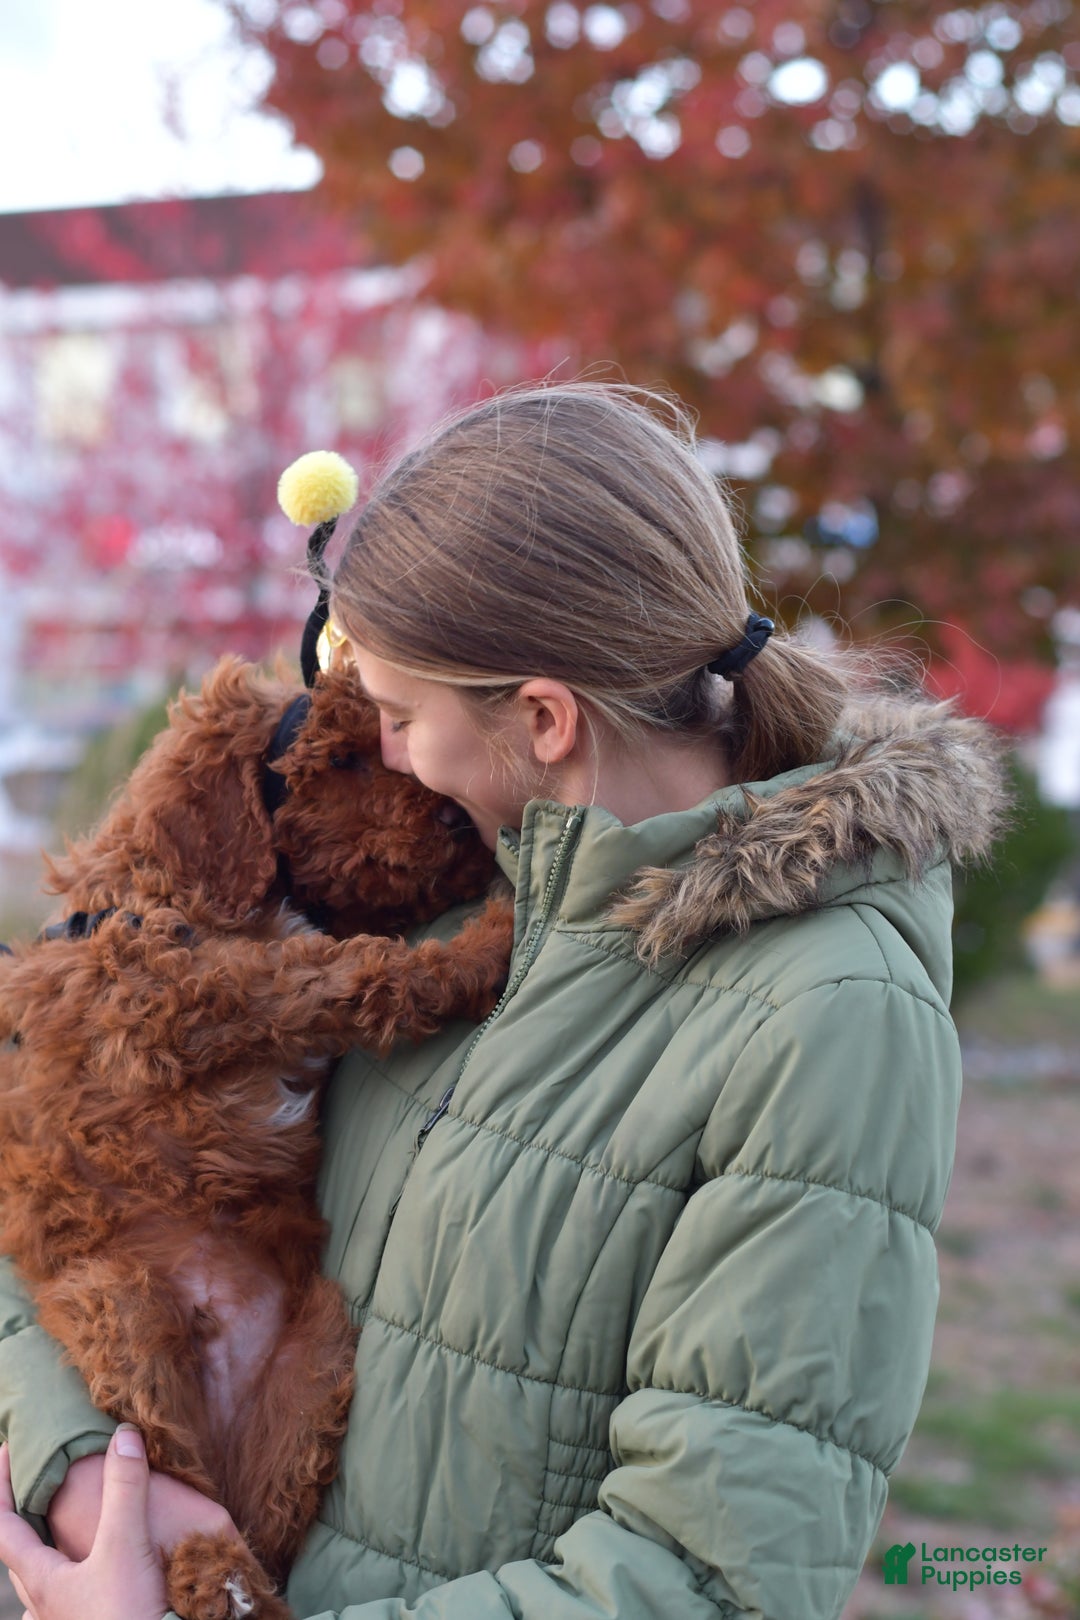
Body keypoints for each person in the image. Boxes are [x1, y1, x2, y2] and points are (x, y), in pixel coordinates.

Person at [0, 381, 1006, 1620]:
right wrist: (93, 1474)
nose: (392, 758)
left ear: (542, 718)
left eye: (406, 718)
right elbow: (62, 1168)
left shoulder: (828, 1018)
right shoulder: (439, 889)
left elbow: (705, 1581)